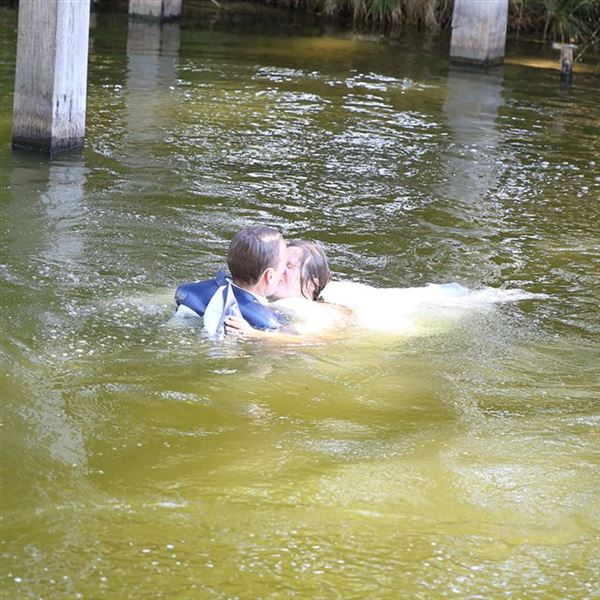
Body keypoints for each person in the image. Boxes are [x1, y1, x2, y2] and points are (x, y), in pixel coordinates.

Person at [175, 225, 288, 336]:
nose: (284, 272)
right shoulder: (267, 321)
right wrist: (255, 333)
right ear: (270, 276)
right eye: (284, 266)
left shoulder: (191, 290)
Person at [225, 240, 352, 337]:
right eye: (280, 263)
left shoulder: (307, 312)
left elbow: (313, 340)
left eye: (290, 266)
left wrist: (254, 334)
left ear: (311, 284)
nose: (279, 269)